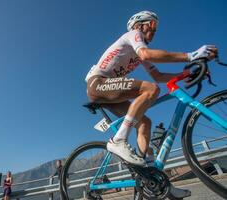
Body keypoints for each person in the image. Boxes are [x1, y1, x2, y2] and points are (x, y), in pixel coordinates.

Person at [85, 11, 218, 198]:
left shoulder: (139, 54)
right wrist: (191, 55)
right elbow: (148, 55)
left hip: (110, 90)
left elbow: (158, 75)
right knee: (151, 89)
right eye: (152, 25)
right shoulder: (133, 35)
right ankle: (118, 141)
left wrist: (185, 75)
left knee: (144, 122)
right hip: (98, 84)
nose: (155, 31)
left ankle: (152, 179)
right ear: (139, 25)